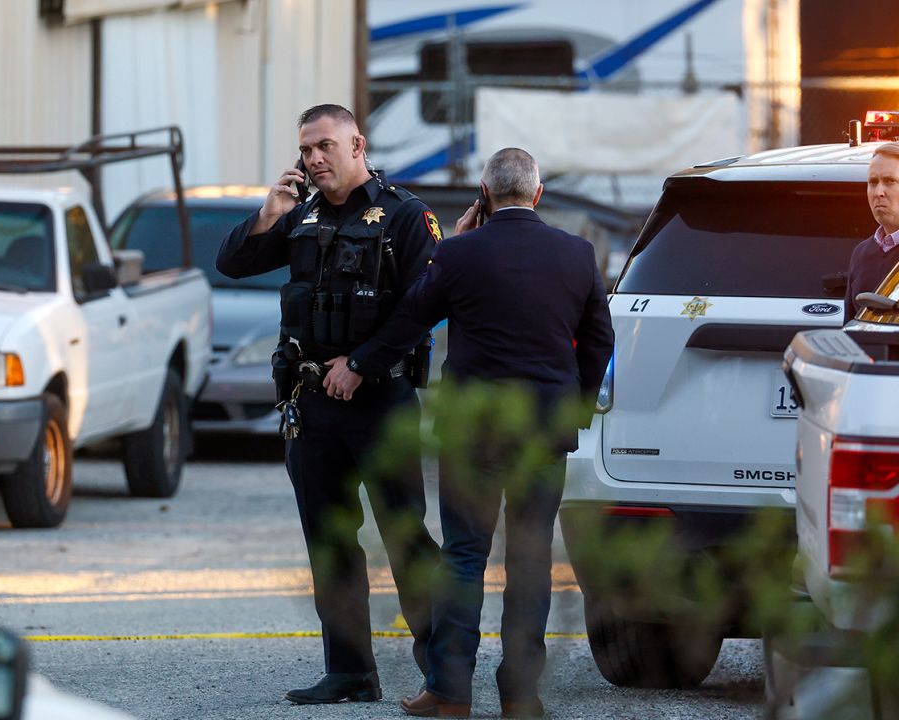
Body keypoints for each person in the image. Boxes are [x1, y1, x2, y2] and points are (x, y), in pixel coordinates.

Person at [216, 104, 441, 704]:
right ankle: (349, 671)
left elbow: (424, 305)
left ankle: (443, 668)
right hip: (311, 404)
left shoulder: (405, 215)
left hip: (381, 401)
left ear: (357, 144)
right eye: (306, 149)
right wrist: (268, 213)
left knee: (404, 533)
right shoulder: (300, 215)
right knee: (329, 536)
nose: (314, 159)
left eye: (325, 146)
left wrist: (363, 363)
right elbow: (232, 264)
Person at [396, 149, 613, 719]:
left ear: (484, 195)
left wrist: (451, 246)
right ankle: (520, 695)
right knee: (531, 558)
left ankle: (449, 692)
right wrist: (577, 407)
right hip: (545, 432)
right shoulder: (577, 253)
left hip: (472, 432)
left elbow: (415, 310)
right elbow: (598, 341)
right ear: (538, 194)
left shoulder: (461, 251)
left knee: (463, 556)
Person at [845, 141, 899, 321]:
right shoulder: (862, 253)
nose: (878, 192)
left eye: (890, 181)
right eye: (873, 182)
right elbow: (850, 331)